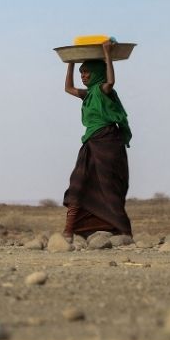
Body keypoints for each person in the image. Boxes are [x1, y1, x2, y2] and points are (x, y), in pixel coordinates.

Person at [61, 39, 133, 238]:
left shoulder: (103, 90)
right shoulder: (88, 94)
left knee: (108, 187)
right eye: (81, 73)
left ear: (97, 73)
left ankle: (120, 231)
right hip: (91, 142)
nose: (83, 76)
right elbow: (68, 88)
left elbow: (110, 81)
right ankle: (69, 231)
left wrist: (107, 54)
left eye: (86, 72)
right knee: (78, 182)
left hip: (109, 142)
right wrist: (71, 63)